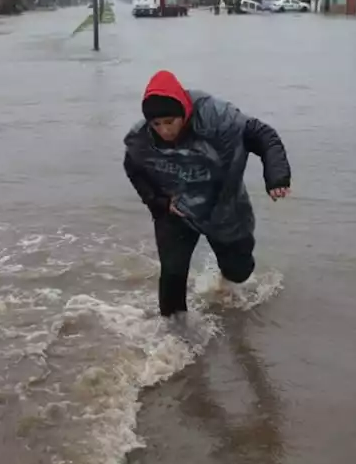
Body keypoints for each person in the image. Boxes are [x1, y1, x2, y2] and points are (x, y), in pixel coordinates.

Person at [123, 70, 292, 318]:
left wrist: (276, 176)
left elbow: (262, 135)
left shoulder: (216, 116)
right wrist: (158, 203)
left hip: (223, 207)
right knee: (172, 273)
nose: (164, 131)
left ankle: (225, 279)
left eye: (170, 122)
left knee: (239, 272)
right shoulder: (141, 137)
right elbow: (133, 168)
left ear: (184, 112)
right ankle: (175, 338)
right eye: (156, 125)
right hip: (176, 209)